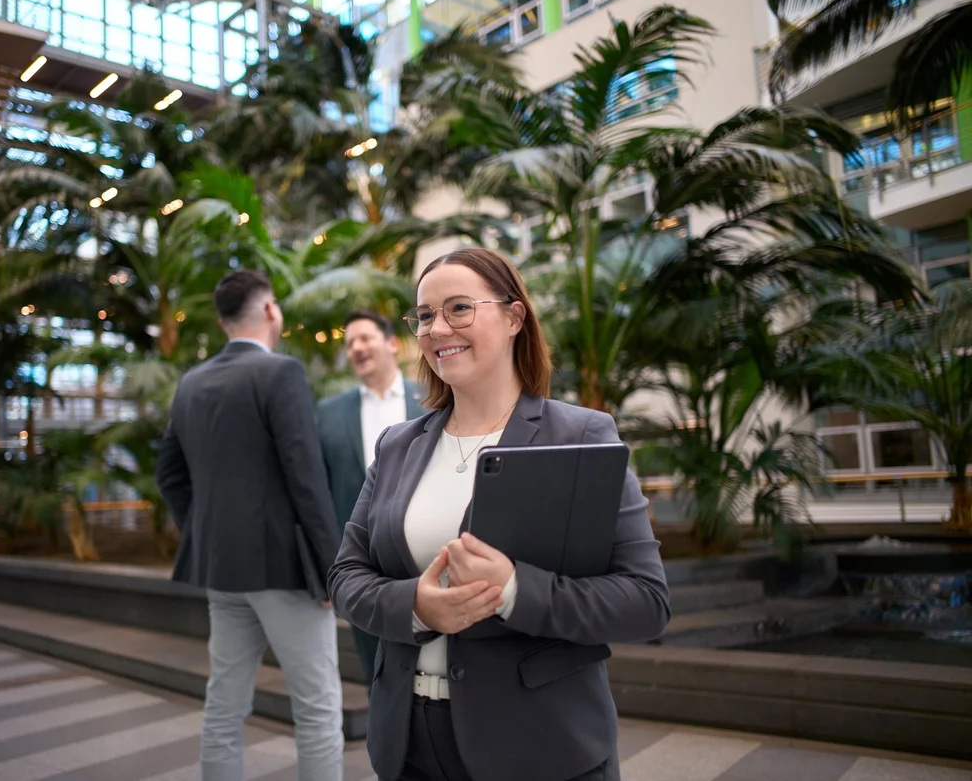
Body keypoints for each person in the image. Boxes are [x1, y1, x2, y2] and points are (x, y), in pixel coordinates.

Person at [327, 248, 670, 781]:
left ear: (514, 317)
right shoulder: (397, 446)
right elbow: (347, 576)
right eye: (424, 315)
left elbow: (645, 601)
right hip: (410, 742)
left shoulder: (579, 436)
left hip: (538, 746)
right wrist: (416, 605)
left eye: (459, 308)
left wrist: (511, 591)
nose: (438, 328)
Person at [158, 269, 344, 781]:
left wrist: (202, 531)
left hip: (221, 569)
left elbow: (168, 475)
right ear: (269, 311)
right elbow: (306, 479)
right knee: (318, 709)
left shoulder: (191, 382)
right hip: (284, 571)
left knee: (224, 705)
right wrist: (334, 571)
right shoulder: (280, 373)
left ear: (221, 321)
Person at [316, 309, 426, 685]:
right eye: (350, 344)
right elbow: (321, 492)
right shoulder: (328, 414)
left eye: (365, 338)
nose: (357, 348)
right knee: (375, 670)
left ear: (392, 344)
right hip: (362, 561)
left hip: (425, 549)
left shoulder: (431, 398)